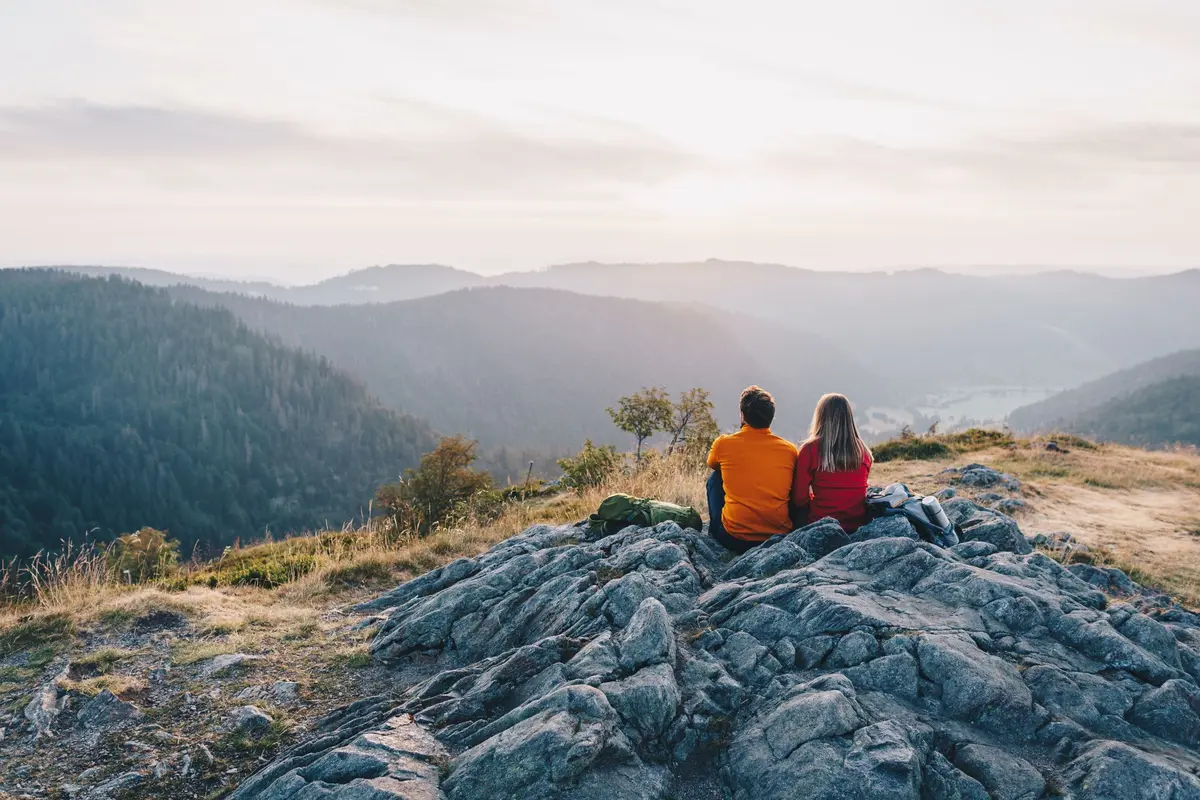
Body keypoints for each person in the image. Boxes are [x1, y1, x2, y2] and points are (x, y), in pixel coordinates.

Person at [706, 386, 798, 553]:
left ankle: (714, 532)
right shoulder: (790, 450)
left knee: (715, 477)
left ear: (742, 415)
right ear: (771, 417)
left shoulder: (724, 444)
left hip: (733, 538)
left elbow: (712, 464)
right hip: (777, 537)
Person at [792, 393, 873, 533]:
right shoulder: (864, 452)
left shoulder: (810, 449)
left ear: (821, 417)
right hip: (856, 525)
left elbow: (799, 498)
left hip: (820, 525)